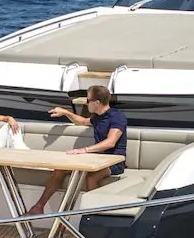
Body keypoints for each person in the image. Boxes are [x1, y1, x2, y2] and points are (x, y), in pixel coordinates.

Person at [27, 85, 126, 214]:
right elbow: (83, 122)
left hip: (114, 162)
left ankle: (94, 216)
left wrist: (84, 150)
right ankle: (38, 207)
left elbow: (110, 142)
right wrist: (66, 112)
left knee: (91, 178)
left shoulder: (117, 117)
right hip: (96, 159)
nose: (86, 103)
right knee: (60, 169)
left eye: (88, 100)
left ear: (97, 102)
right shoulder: (98, 117)